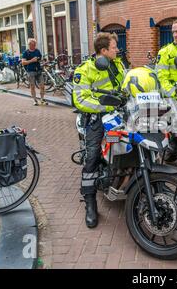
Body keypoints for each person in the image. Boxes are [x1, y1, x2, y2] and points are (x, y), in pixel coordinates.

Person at [72, 32, 125, 228]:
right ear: (103, 51)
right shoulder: (85, 70)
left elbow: (127, 85)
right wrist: (108, 106)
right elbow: (81, 99)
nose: (117, 50)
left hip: (119, 112)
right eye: (114, 48)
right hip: (97, 118)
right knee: (92, 156)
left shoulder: (117, 64)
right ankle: (90, 201)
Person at [22, 38, 46, 106]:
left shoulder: (37, 51)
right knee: (32, 86)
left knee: (42, 85)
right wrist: (31, 60)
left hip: (38, 70)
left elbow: (39, 59)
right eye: (33, 44)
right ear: (29, 45)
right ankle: (35, 100)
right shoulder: (25, 53)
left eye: (35, 44)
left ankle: (42, 99)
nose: (34, 46)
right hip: (30, 71)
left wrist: (44, 62)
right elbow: (23, 63)